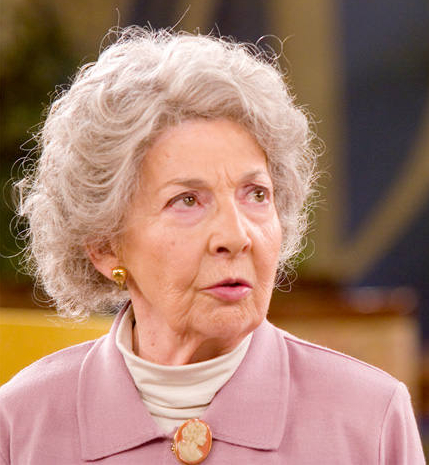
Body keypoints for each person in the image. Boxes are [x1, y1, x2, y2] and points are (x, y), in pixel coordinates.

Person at [0, 27, 424, 464]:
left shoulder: (370, 420)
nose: (236, 236)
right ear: (105, 246)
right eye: (187, 200)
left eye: (256, 194)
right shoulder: (20, 423)